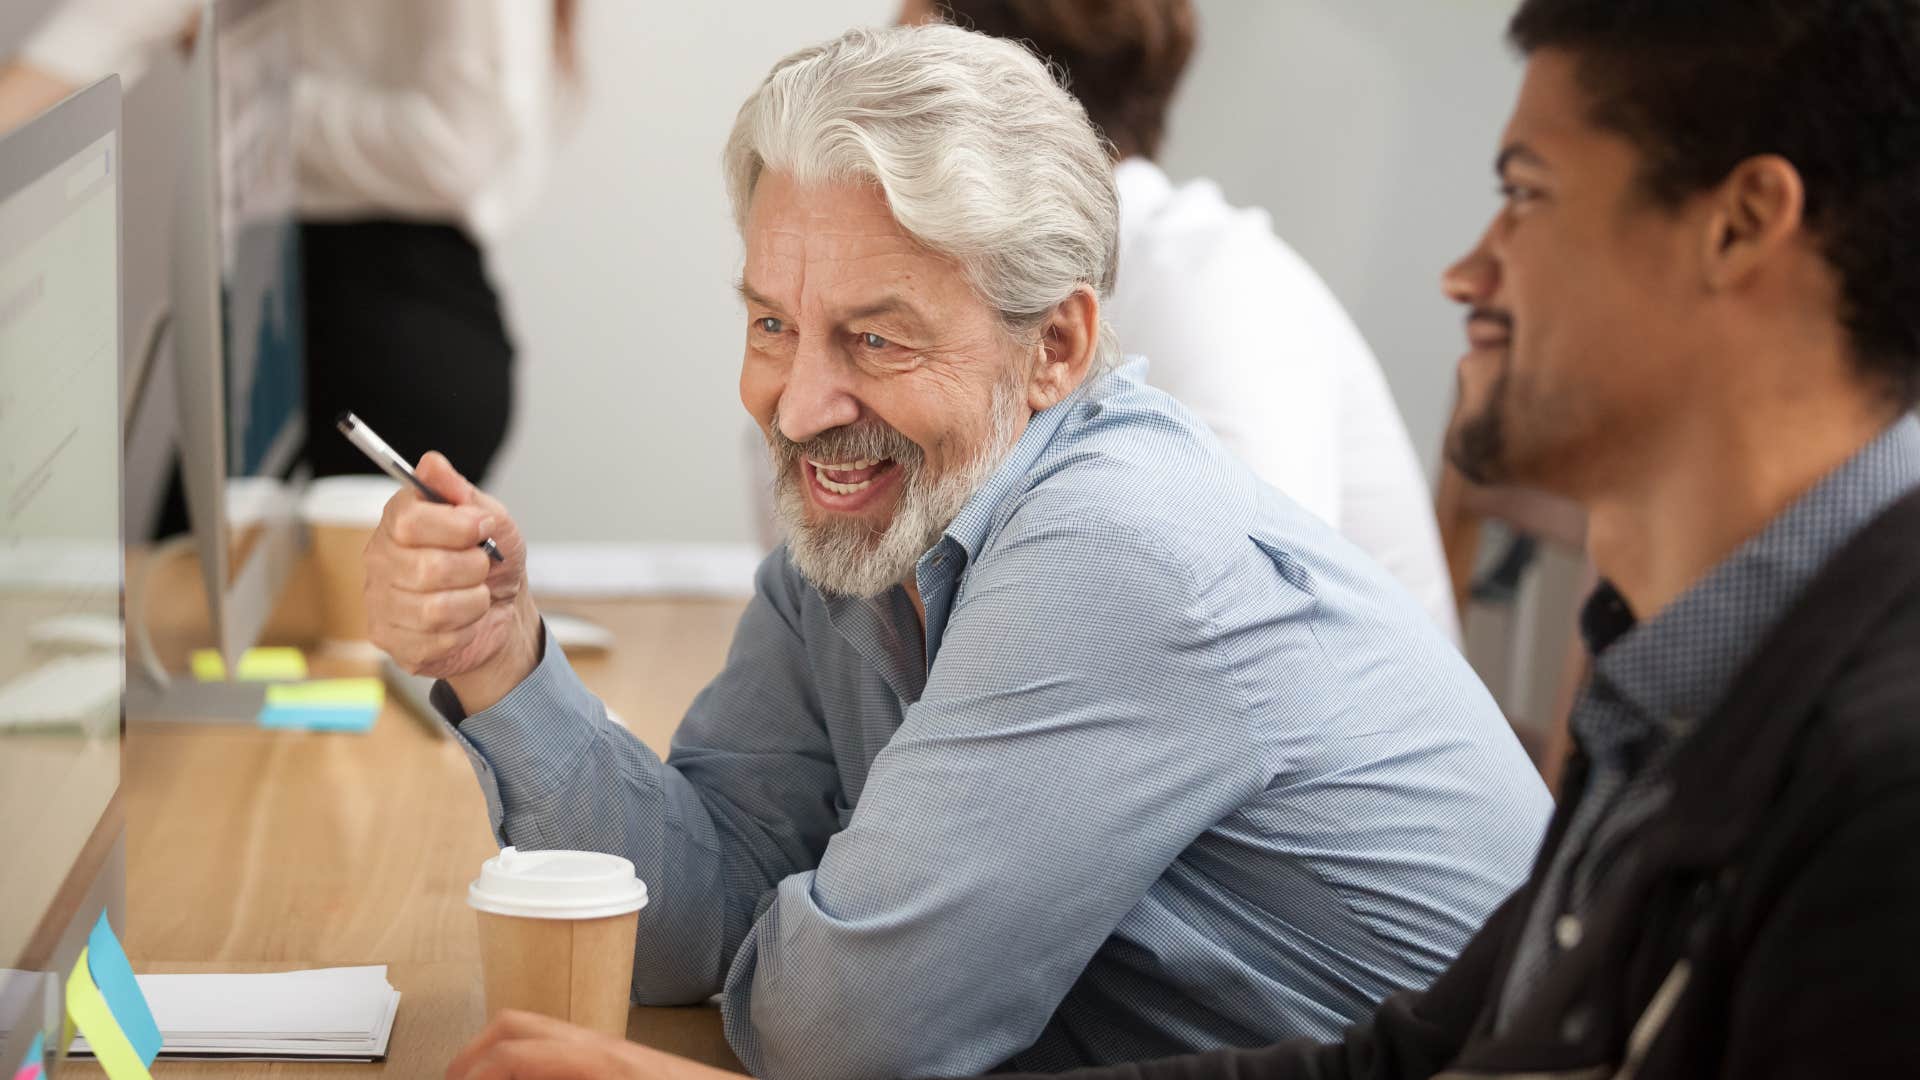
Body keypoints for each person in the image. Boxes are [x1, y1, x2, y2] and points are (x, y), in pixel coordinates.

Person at [442, 0, 1920, 1077]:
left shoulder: (1119, 551)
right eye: (773, 324)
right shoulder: (870, 521)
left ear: (1059, 346)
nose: (796, 396)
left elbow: (846, 1034)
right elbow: (694, 927)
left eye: (875, 339)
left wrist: (843, 929)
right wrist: (513, 673)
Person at [903, 0, 1460, 642]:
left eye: (904, 82)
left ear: (985, 93)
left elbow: (1240, 631)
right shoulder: (1082, 276)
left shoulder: (1216, 290)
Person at [0, 0, 576, 495]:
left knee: (343, 610)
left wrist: (252, 92)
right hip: (273, 292)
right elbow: (101, 29)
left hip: (404, 325)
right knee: (181, 601)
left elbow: (458, 153)